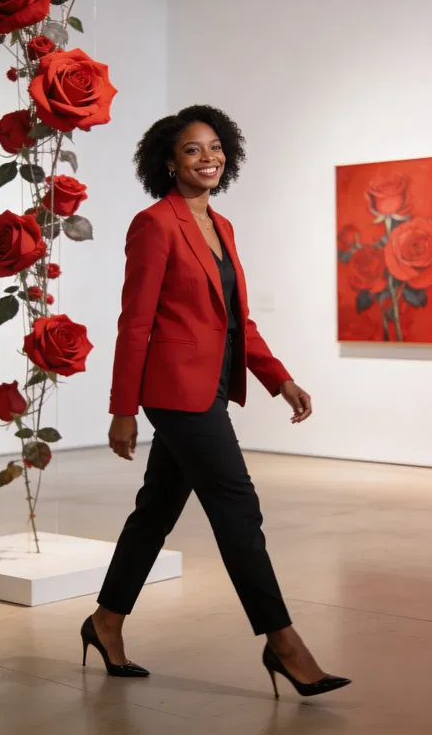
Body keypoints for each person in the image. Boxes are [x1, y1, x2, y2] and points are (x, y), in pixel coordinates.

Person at [81, 106, 351, 699]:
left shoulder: (221, 226)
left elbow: (235, 322)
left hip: (210, 389)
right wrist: (122, 408)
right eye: (192, 150)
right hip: (175, 394)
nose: (208, 158)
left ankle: (105, 622)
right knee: (237, 506)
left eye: (215, 148)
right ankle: (282, 643)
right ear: (168, 163)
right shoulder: (153, 224)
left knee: (155, 511)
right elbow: (135, 324)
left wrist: (278, 378)